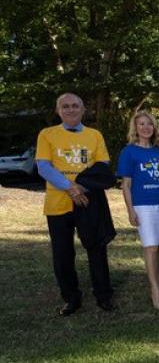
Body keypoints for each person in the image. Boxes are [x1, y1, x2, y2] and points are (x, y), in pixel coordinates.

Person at [35, 92, 115, 315]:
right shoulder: (47, 134)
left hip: (89, 201)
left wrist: (81, 188)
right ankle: (71, 298)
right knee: (62, 253)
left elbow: (102, 166)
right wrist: (70, 188)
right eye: (65, 106)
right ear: (58, 111)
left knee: (96, 249)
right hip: (57, 203)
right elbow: (43, 167)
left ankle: (103, 295)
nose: (71, 110)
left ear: (83, 109)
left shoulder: (94, 135)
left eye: (75, 106)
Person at [117, 111, 159, 310]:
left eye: (149, 124)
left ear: (154, 127)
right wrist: (130, 210)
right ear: (135, 127)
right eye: (141, 124)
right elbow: (126, 185)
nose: (146, 127)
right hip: (143, 205)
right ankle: (154, 290)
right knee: (150, 246)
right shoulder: (129, 152)